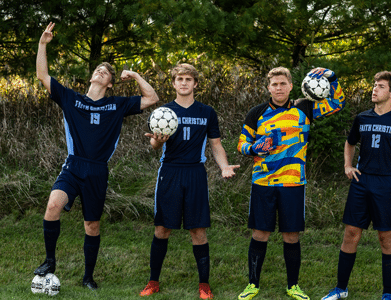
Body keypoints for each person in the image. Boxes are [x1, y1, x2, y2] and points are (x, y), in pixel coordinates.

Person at [33, 22, 159, 290]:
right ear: (91, 77)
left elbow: (152, 98)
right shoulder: (71, 98)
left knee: (91, 225)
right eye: (97, 69)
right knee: (53, 205)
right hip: (73, 166)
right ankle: (49, 261)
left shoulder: (116, 105)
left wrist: (136, 76)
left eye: (106, 72)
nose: (100, 72)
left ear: (110, 83)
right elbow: (43, 76)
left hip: (98, 171)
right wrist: (43, 44)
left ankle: (88, 276)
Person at [237, 66, 346, 300]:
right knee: (260, 234)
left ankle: (293, 286)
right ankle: (252, 284)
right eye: (274, 84)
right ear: (268, 87)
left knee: (291, 236)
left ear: (291, 86)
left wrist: (332, 77)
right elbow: (242, 143)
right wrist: (253, 148)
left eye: (283, 84)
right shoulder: (256, 113)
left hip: (293, 183)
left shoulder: (305, 108)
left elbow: (337, 103)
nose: (278, 88)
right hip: (263, 183)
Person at [321, 71, 391, 300]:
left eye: (380, 86)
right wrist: (347, 166)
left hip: (388, 185)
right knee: (351, 233)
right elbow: (350, 143)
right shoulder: (362, 118)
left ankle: (387, 294)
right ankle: (341, 289)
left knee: (386, 237)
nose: (374, 89)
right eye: (374, 85)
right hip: (361, 182)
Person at [139, 63, 240, 299]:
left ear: (195, 84)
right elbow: (155, 145)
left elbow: (215, 145)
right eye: (179, 79)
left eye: (188, 79)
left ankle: (204, 284)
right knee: (162, 228)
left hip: (195, 173)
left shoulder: (206, 112)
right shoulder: (163, 112)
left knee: (198, 230)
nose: (184, 83)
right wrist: (158, 141)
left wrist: (224, 166)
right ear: (174, 84)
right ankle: (153, 281)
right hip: (170, 172)